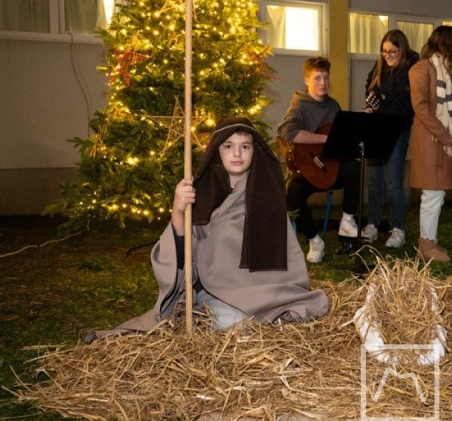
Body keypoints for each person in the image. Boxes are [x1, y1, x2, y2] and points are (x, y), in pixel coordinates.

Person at [113, 117, 329, 332]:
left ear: (254, 151)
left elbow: (285, 261)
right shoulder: (200, 193)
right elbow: (182, 250)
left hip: (260, 291)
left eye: (245, 146)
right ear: (217, 150)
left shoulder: (268, 197)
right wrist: (178, 210)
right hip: (213, 290)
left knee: (275, 317)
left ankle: (254, 314)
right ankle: (209, 314)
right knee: (235, 323)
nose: (237, 154)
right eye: (228, 146)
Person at [277, 57, 362, 263]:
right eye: (317, 78)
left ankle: (347, 220)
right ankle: (314, 240)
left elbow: (342, 135)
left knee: (353, 167)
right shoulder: (299, 105)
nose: (323, 83)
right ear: (307, 80)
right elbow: (288, 132)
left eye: (325, 77)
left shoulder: (333, 106)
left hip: (331, 167)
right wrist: (323, 139)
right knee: (293, 192)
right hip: (309, 169)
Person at [408, 25, 452, 263]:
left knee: (436, 193)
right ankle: (426, 246)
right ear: (447, 43)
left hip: (442, 140)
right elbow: (421, 107)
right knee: (432, 193)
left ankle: (430, 240)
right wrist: (446, 135)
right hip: (431, 140)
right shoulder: (422, 68)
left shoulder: (450, 71)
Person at [361, 30, 419, 249]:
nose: (388, 55)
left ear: (402, 49)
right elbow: (370, 90)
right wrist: (373, 104)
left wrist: (381, 102)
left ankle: (398, 228)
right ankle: (372, 224)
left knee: (393, 181)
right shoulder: (379, 67)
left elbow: (402, 105)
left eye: (392, 51)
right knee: (374, 179)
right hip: (376, 128)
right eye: (384, 51)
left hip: (397, 130)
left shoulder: (410, 69)